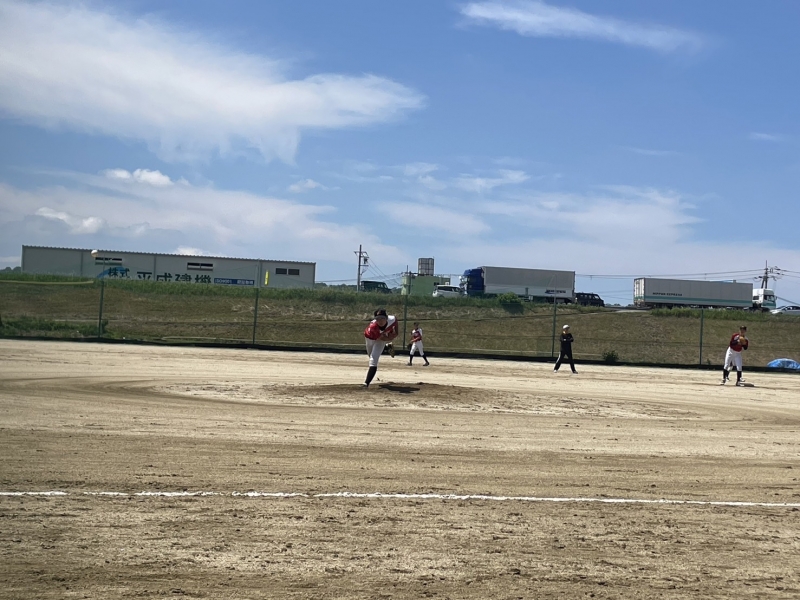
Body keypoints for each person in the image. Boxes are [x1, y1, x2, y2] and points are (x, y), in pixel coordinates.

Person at [363, 308, 399, 388]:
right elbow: (382, 338)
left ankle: (366, 383)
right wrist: (390, 338)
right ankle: (387, 346)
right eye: (378, 319)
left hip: (380, 339)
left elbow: (395, 321)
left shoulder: (392, 319)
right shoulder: (373, 327)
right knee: (370, 355)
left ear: (386, 317)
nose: (380, 321)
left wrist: (396, 333)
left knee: (373, 359)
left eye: (382, 318)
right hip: (370, 338)